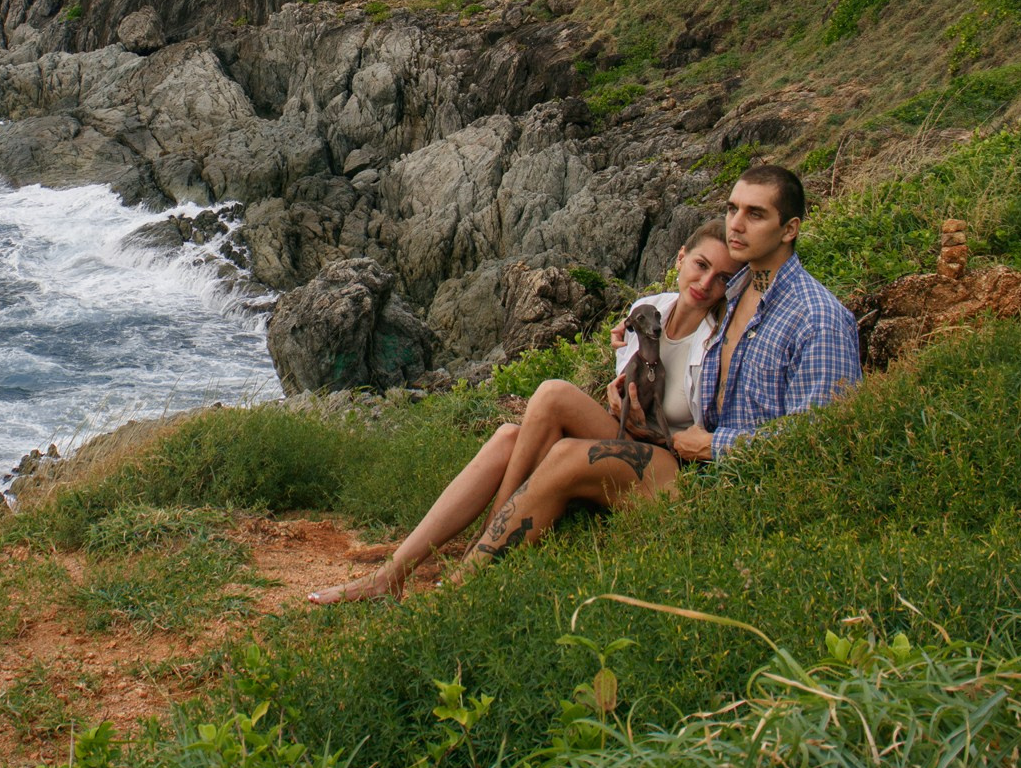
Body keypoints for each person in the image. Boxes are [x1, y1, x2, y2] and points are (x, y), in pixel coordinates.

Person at [309, 164, 861, 603]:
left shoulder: (816, 317)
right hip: (680, 454)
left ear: (789, 229)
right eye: (733, 209)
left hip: (722, 488)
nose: (737, 225)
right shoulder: (738, 291)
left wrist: (717, 444)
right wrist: (627, 357)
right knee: (510, 434)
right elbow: (671, 321)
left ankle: (454, 598)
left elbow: (825, 442)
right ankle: (396, 570)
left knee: (570, 453)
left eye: (756, 215)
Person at [308, 218, 739, 604]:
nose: (706, 282)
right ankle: (391, 575)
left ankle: (484, 544)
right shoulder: (649, 309)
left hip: (669, 463)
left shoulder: (718, 340)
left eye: (722, 277)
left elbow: (703, 429)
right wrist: (615, 392)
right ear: (681, 258)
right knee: (515, 428)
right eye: (701, 265)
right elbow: (631, 385)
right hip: (630, 437)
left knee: (549, 404)